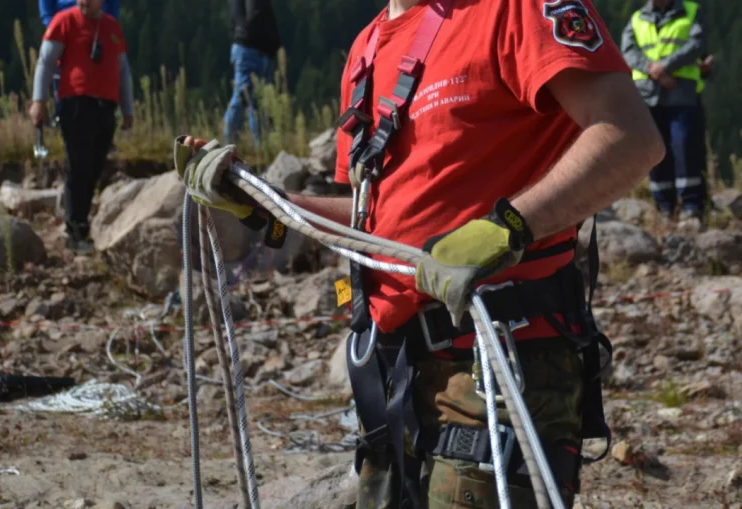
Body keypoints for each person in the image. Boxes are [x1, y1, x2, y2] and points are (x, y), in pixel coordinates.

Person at [176, 0, 664, 506]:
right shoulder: (369, 46)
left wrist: (508, 228)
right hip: (393, 378)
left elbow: (630, 138)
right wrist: (272, 203)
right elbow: (380, 219)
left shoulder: (515, 10)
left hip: (500, 367)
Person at [30, 0, 134, 254]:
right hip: (76, 104)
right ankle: (75, 230)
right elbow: (45, 62)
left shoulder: (111, 27)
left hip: (105, 107)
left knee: (95, 166)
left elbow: (123, 70)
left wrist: (128, 109)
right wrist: (38, 101)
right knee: (78, 165)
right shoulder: (63, 22)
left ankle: (80, 224)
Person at [622, 0, 707, 226]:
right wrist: (653, 70)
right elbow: (628, 51)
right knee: (655, 152)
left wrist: (665, 66)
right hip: (648, 96)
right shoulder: (638, 18)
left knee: (685, 147)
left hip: (682, 94)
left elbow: (697, 44)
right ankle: (664, 208)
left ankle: (692, 208)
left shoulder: (691, 11)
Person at [39, 0, 122, 127]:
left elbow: (113, 7)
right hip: (64, 30)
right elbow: (46, 8)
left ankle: (104, 119)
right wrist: (57, 29)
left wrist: (107, 26)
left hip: (98, 27)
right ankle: (62, 115)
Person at [223, 0, 281, 146]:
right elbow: (255, 15)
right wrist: (270, 43)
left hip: (247, 45)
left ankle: (257, 144)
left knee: (253, 99)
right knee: (243, 96)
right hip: (252, 47)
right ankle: (230, 142)